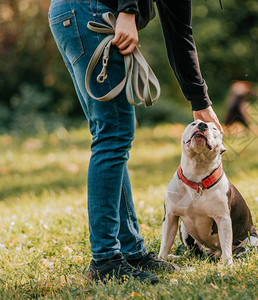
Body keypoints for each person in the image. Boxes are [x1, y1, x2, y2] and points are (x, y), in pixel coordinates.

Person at [48, 0, 223, 283]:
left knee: (111, 132)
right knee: (113, 133)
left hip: (72, 12)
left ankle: (130, 253)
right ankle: (105, 261)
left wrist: (200, 100)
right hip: (89, 10)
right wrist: (128, 11)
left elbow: (179, 32)